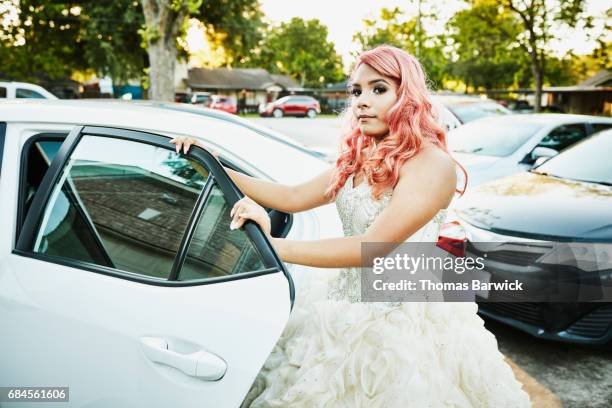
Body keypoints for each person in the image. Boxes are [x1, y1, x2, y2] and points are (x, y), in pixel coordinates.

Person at [171, 45, 530, 408]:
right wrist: (211, 162)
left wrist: (272, 248)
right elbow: (293, 196)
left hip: (400, 322)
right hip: (339, 304)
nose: (361, 101)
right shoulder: (361, 157)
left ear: (407, 96)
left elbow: (372, 247)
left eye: (378, 89)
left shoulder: (431, 165)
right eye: (356, 91)